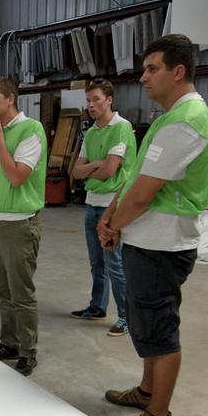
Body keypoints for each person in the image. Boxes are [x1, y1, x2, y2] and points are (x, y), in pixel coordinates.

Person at [97, 35, 208, 416]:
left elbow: (145, 194)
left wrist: (113, 225)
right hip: (147, 241)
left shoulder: (186, 120)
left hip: (164, 244)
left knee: (160, 330)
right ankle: (147, 390)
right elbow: (134, 179)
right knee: (147, 323)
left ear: (178, 71)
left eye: (152, 69)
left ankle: (159, 414)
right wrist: (112, 214)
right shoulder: (169, 118)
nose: (143, 77)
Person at [0, 76, 48, 376]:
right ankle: (9, 342)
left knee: (21, 293)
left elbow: (18, 176)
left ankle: (27, 350)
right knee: (0, 290)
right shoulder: (1, 130)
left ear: (10, 99)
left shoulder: (30, 130)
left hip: (18, 225)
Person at [69, 78, 137, 337]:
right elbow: (75, 171)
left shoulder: (121, 128)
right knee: (96, 263)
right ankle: (97, 306)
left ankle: (126, 316)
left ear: (109, 99)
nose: (91, 105)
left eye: (96, 99)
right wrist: (95, 166)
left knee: (115, 264)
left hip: (113, 205)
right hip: (92, 203)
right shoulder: (92, 132)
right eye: (88, 100)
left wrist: (94, 167)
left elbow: (110, 170)